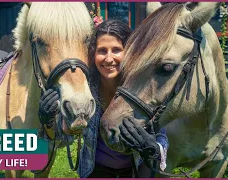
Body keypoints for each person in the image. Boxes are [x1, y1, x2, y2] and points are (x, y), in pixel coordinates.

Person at [38, 19, 168, 178]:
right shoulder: (85, 90)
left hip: (135, 171)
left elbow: (160, 134)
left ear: (129, 52)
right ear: (93, 53)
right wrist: (49, 122)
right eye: (102, 50)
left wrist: (154, 148)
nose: (108, 58)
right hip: (95, 171)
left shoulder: (142, 89)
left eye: (116, 50)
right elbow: (63, 138)